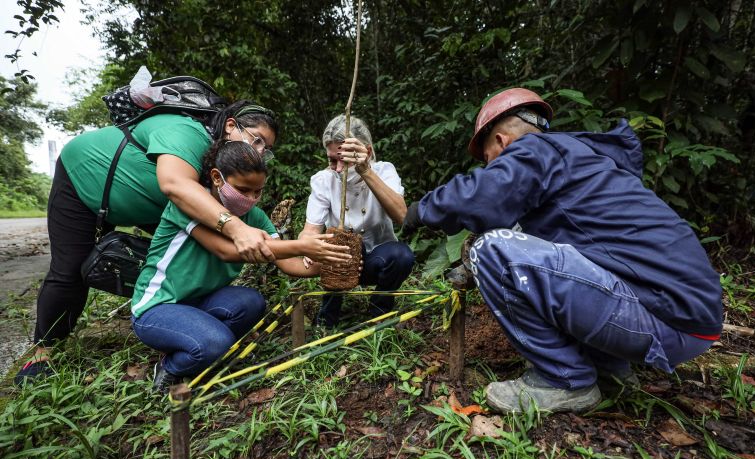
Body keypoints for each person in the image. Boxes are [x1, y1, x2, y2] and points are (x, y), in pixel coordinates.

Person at [402, 88, 723, 414]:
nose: (491, 168)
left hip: (663, 317)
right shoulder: (581, 165)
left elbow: (482, 197)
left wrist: (421, 210)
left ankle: (566, 379)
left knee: (490, 249)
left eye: (489, 161)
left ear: (501, 141)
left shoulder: (536, 149)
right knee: (551, 261)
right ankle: (609, 372)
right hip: (685, 318)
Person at [16, 100, 283, 385]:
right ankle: (42, 353)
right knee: (69, 270)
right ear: (230, 126)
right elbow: (175, 184)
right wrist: (236, 227)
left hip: (150, 207)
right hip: (84, 179)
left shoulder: (224, 163)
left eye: (266, 148)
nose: (259, 151)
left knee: (185, 256)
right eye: (256, 140)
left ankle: (184, 325)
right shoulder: (188, 133)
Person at [132, 140, 351, 392]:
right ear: (217, 177)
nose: (250, 199)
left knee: (251, 302)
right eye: (243, 190)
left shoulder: (254, 217)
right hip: (158, 306)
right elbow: (226, 251)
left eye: (257, 192)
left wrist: (332, 260)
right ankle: (172, 366)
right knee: (216, 342)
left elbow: (289, 263)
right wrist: (304, 246)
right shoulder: (190, 204)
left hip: (201, 301)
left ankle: (201, 344)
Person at [299, 115, 415, 327]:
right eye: (331, 160)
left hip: (379, 261)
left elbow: (401, 216)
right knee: (340, 242)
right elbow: (311, 230)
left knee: (402, 255)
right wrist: (307, 245)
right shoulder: (324, 180)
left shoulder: (384, 171)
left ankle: (379, 313)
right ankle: (327, 319)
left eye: (343, 160)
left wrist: (365, 171)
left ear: (366, 152)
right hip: (340, 262)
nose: (337, 168)